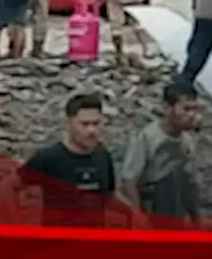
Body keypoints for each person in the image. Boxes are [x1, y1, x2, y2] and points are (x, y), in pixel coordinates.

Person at [17, 92, 129, 227]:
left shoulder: (102, 155)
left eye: (96, 123)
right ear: (69, 124)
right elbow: (12, 185)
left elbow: (110, 194)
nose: (91, 130)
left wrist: (133, 213)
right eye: (84, 124)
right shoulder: (49, 158)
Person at [121, 80, 201, 227]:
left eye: (194, 110)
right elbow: (129, 180)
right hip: (151, 206)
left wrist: (196, 219)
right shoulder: (148, 137)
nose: (191, 115)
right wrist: (138, 217)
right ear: (168, 108)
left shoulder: (187, 142)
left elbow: (190, 184)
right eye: (186, 109)